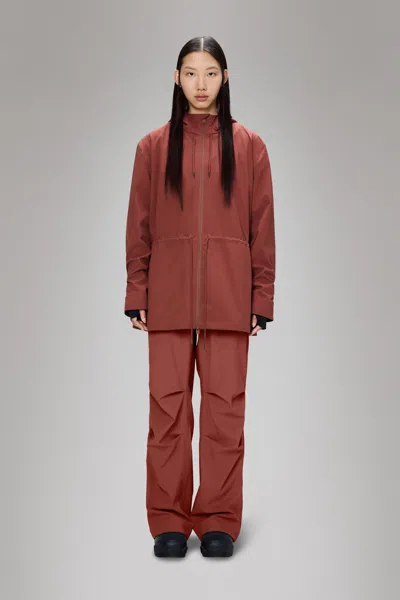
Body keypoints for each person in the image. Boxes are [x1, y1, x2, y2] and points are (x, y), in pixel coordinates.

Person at [124, 35, 276, 558]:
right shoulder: (152, 147)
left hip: (229, 299)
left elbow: (263, 228)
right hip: (167, 298)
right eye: (191, 73)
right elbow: (139, 226)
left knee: (224, 413)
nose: (201, 84)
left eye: (210, 73)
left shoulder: (250, 147)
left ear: (225, 78)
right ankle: (168, 520)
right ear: (176, 78)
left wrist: (261, 298)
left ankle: (218, 520)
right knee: (166, 412)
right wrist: (137, 289)